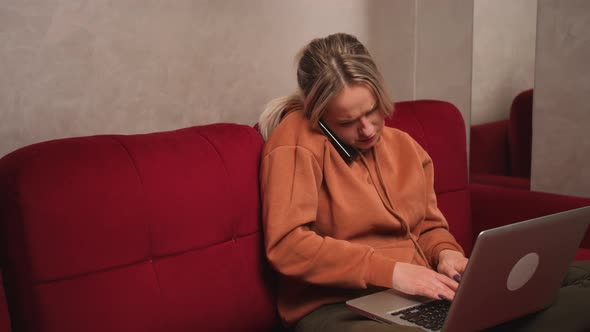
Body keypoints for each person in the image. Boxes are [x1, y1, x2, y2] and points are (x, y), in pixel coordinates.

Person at [258, 33, 590, 332]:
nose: (369, 130)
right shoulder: (296, 142)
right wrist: (392, 272)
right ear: (319, 115)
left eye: (372, 111)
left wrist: (446, 253)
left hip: (418, 296)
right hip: (337, 308)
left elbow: (430, 227)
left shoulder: (404, 146)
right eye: (347, 122)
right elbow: (288, 244)